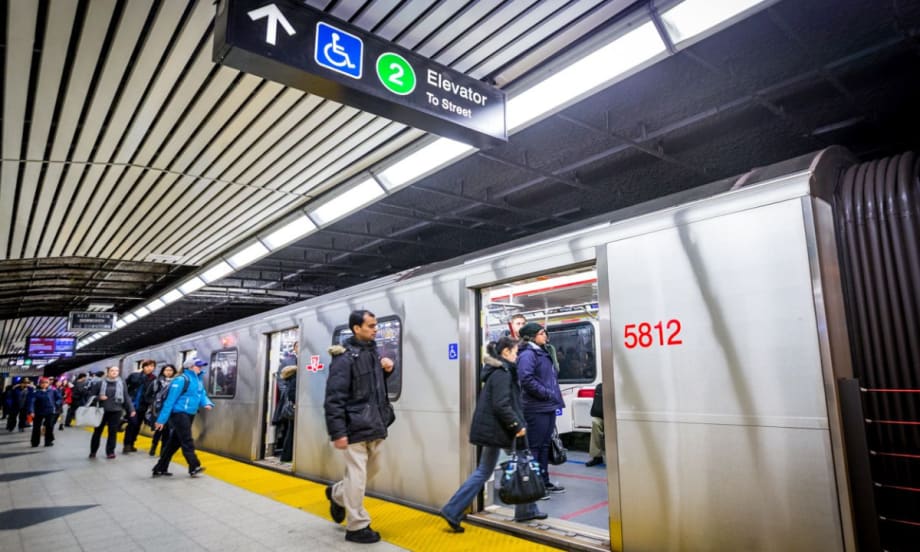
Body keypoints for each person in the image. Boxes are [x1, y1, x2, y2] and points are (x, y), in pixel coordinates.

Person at [440, 337, 547, 531]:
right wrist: (516, 425)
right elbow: (501, 404)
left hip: (494, 429)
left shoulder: (498, 371)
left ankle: (453, 509)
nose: (517, 356)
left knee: (487, 470)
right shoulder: (502, 373)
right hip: (502, 428)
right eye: (515, 352)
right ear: (505, 352)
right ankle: (525, 510)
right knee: (520, 463)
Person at [324, 310, 396, 544]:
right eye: (371, 325)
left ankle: (336, 494)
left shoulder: (372, 353)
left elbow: (371, 388)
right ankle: (357, 525)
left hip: (375, 422)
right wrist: (338, 432)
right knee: (357, 475)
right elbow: (334, 398)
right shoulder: (344, 358)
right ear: (357, 328)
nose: (375, 329)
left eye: (375, 325)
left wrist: (387, 371)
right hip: (355, 425)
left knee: (372, 470)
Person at [517, 322, 566, 495]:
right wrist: (546, 393)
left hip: (547, 405)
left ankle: (544, 482)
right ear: (531, 336)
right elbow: (526, 378)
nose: (546, 336)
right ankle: (534, 486)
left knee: (545, 445)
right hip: (536, 407)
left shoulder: (542, 352)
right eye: (541, 333)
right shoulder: (528, 355)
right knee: (536, 447)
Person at [152, 359, 213, 477]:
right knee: (187, 439)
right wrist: (161, 420)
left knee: (174, 443)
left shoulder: (198, 380)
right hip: (179, 413)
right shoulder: (181, 380)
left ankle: (160, 467)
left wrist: (207, 403)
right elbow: (170, 401)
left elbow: (201, 394)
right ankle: (194, 466)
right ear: (190, 367)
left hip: (190, 413)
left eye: (201, 366)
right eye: (198, 366)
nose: (200, 368)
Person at [89, 366, 136, 459]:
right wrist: (99, 398)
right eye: (112, 371)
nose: (115, 372)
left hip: (116, 411)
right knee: (97, 431)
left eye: (117, 371)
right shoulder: (99, 383)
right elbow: (91, 396)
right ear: (108, 372)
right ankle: (93, 451)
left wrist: (131, 409)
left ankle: (110, 452)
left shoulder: (122, 383)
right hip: (101, 411)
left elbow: (126, 396)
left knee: (113, 432)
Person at [123, 360, 157, 453]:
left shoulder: (154, 379)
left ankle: (132, 443)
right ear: (143, 367)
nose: (149, 368)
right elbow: (124, 386)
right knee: (132, 424)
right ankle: (127, 444)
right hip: (132, 404)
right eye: (147, 366)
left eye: (152, 366)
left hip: (143, 405)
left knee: (137, 425)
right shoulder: (134, 376)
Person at [146, 364, 176, 457]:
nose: (168, 372)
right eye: (166, 370)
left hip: (170, 410)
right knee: (158, 430)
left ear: (173, 372)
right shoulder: (156, 382)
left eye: (170, 370)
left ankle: (163, 451)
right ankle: (154, 446)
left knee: (167, 431)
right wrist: (154, 402)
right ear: (163, 371)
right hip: (158, 410)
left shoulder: (176, 382)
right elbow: (147, 395)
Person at [27, 377, 61, 447]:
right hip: (38, 411)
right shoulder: (35, 392)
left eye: (46, 383)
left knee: (49, 426)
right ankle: (35, 442)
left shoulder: (53, 391)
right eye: (42, 383)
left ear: (49, 383)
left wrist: (56, 404)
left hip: (50, 411)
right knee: (36, 427)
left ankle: (48, 442)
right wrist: (32, 411)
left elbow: (59, 398)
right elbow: (32, 402)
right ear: (40, 384)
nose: (44, 384)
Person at [585, 382, 605, 467]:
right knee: (595, 422)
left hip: (615, 416)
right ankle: (597, 456)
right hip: (602, 416)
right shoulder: (601, 386)